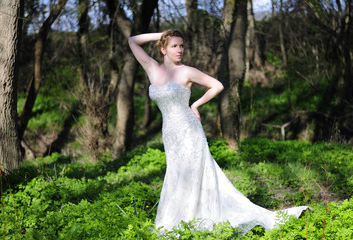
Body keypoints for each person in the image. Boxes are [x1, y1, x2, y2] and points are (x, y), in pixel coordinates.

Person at [128, 29, 308, 235]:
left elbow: (217, 85)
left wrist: (195, 105)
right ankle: (181, 219)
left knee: (194, 174)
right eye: (174, 46)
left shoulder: (186, 71)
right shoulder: (152, 69)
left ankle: (193, 219)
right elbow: (132, 41)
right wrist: (162, 34)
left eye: (182, 45)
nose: (180, 50)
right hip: (170, 134)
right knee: (176, 174)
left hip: (189, 132)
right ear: (162, 49)